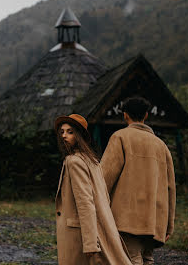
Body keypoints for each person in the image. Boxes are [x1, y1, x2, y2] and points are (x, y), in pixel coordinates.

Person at [101, 97, 176, 265]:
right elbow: (171, 189)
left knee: (130, 259)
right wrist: (168, 225)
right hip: (155, 220)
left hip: (127, 220)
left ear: (125, 115)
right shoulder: (161, 145)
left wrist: (95, 207)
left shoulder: (120, 137)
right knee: (147, 259)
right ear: (146, 115)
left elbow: (104, 178)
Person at [55, 113, 132, 265]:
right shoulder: (92, 161)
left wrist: (90, 242)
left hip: (79, 234)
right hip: (95, 228)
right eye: (62, 132)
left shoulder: (74, 162)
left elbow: (85, 201)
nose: (64, 136)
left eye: (70, 132)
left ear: (80, 135)